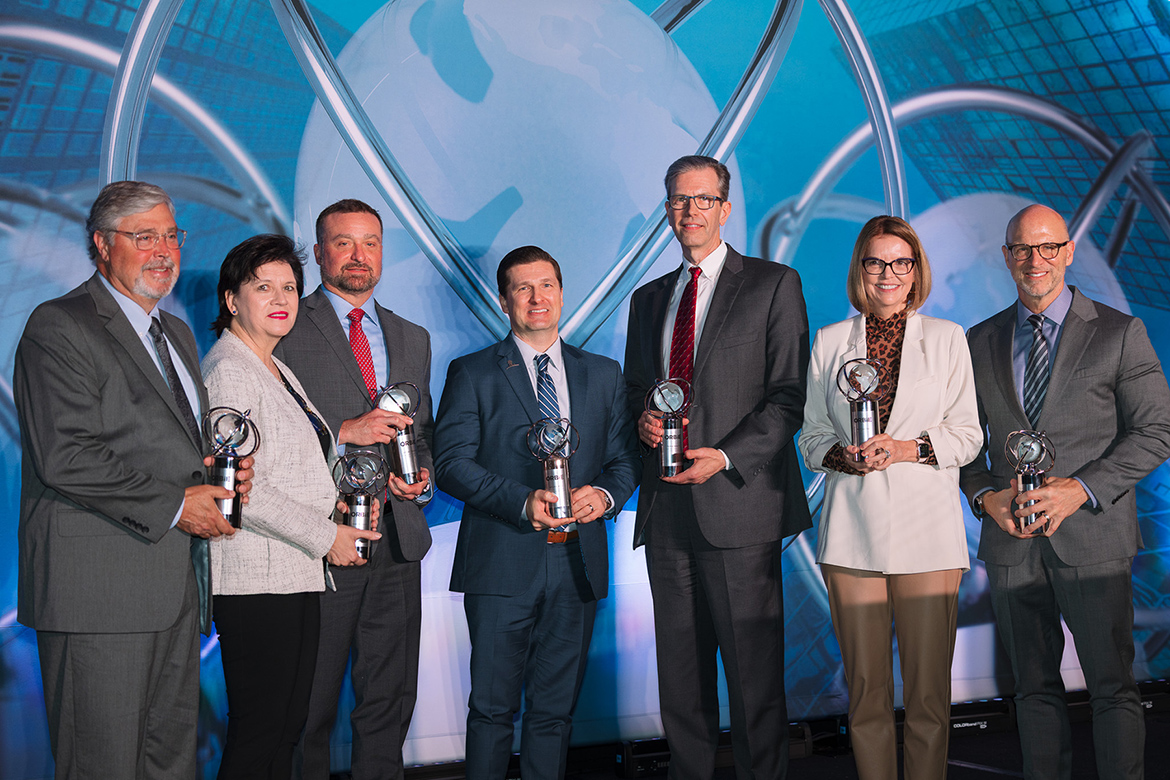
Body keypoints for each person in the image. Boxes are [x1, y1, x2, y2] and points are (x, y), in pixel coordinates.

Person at [13, 180, 253, 779]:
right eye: (143, 236)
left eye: (171, 235)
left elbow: (169, 446)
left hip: (172, 589)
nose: (163, 251)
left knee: (171, 763)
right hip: (99, 595)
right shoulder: (59, 325)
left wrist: (218, 472)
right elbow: (65, 454)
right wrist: (179, 504)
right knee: (102, 766)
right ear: (101, 244)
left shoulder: (173, 333)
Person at [960, 203, 1170, 780]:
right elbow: (959, 444)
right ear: (1007, 257)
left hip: (1093, 540)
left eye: (1048, 247)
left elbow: (1158, 430)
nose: (1036, 260)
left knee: (1113, 688)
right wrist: (983, 495)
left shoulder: (1120, 333)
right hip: (1011, 544)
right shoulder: (977, 341)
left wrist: (1080, 489)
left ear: (1068, 251)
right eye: (1023, 249)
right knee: (1032, 691)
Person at [623, 155, 811, 779]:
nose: (690, 211)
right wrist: (646, 422)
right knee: (681, 686)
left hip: (738, 507)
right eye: (679, 200)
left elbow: (788, 400)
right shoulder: (647, 299)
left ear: (725, 208)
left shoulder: (773, 283)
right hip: (666, 511)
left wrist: (724, 456)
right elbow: (634, 393)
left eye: (703, 200)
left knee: (755, 686)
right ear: (668, 209)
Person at [433, 245, 639, 779]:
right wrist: (522, 502)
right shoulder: (473, 372)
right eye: (522, 288)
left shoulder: (602, 373)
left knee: (554, 714)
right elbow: (451, 464)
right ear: (504, 301)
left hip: (577, 564)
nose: (536, 297)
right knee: (493, 711)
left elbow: (623, 461)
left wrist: (607, 496)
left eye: (546, 284)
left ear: (562, 292)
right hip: (503, 563)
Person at [798, 216, 982, 780]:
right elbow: (810, 439)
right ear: (860, 270)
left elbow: (970, 436)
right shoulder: (830, 342)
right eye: (876, 262)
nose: (888, 274)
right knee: (866, 697)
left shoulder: (949, 338)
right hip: (853, 540)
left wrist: (905, 448)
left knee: (928, 698)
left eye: (901, 263)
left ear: (916, 270)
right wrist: (842, 456)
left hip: (928, 541)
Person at [201, 234, 381, 779]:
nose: (281, 298)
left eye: (290, 288)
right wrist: (328, 538)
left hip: (293, 575)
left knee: (284, 731)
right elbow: (240, 487)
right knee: (262, 734)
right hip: (255, 581)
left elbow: (299, 465)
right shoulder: (228, 371)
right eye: (264, 287)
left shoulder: (273, 366)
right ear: (232, 300)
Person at [274, 199, 434, 780]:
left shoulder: (412, 338)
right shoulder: (285, 325)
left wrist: (421, 481)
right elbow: (265, 430)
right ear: (318, 253)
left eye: (370, 242)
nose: (358, 256)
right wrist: (345, 431)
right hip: (322, 543)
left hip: (397, 543)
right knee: (309, 706)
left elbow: (425, 433)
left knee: (389, 702)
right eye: (343, 243)